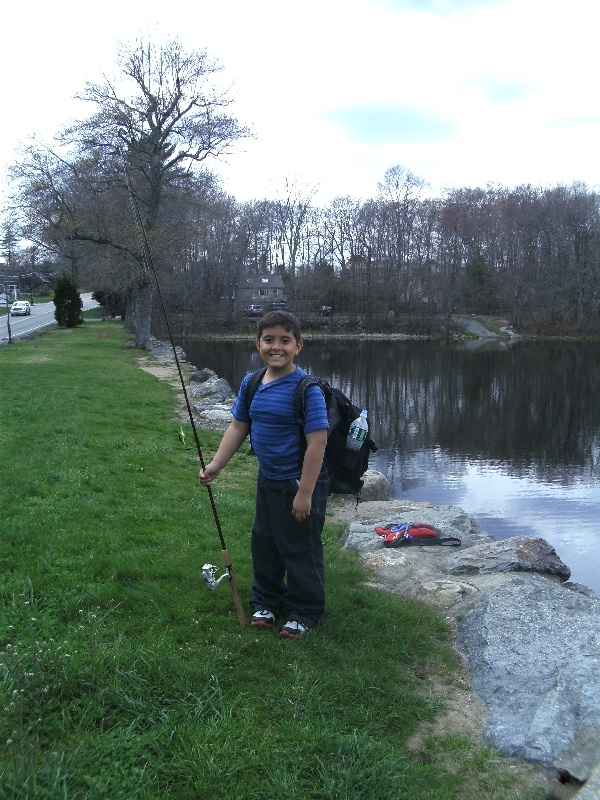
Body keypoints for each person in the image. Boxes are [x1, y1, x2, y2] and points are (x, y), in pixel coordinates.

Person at [199, 311, 330, 639]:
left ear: (298, 346)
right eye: (269, 340)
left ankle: (305, 610)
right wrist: (217, 464)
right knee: (265, 543)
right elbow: (238, 426)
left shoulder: (307, 389)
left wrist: (305, 494)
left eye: (285, 340)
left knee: (299, 547)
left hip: (299, 483)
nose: (276, 347)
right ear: (258, 344)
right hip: (268, 480)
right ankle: (267, 601)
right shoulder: (252, 383)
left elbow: (317, 444)